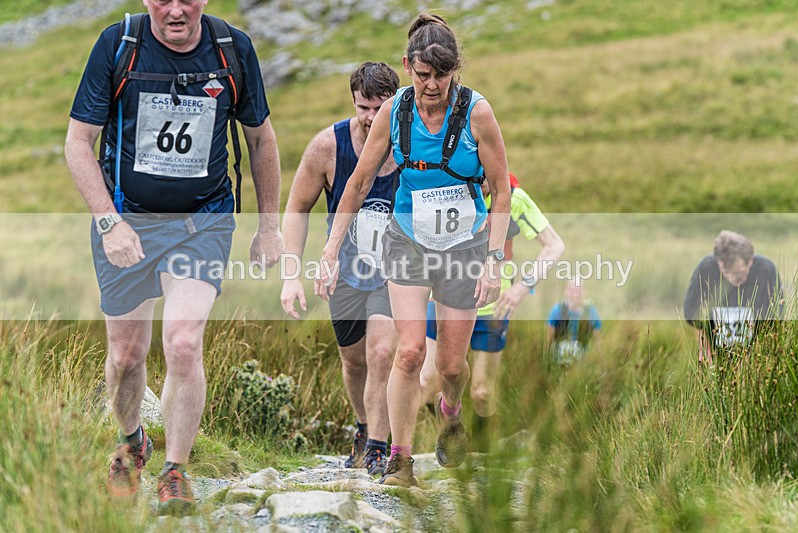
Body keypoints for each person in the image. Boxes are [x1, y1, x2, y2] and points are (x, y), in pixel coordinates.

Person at [64, 0, 282, 515]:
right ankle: (133, 441)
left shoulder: (231, 49)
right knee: (126, 355)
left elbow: (260, 139)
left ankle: (175, 470)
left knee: (183, 343)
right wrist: (109, 222)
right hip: (126, 222)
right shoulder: (119, 45)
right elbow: (78, 142)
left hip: (201, 222)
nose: (176, 10)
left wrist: (269, 226)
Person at [316, 13, 511, 487]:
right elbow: (358, 182)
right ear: (407, 66)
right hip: (408, 240)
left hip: (464, 246)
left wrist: (494, 260)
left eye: (442, 75)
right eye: (423, 75)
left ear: (455, 70)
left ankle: (451, 410)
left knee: (451, 367)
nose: (432, 86)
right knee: (408, 352)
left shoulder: (477, 113)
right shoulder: (394, 112)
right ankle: (400, 462)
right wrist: (330, 249)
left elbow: (502, 190)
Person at [280, 62, 400, 476]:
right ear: (353, 102)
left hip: (395, 271)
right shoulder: (327, 147)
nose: (371, 117)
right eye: (363, 107)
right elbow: (297, 208)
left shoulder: (410, 145)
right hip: (344, 270)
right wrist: (291, 274)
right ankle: (364, 428)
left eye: (379, 109)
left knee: (382, 352)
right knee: (354, 361)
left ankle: (379, 448)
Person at [420, 172, 564, 445]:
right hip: (443, 302)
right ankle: (451, 433)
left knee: (482, 393)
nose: (480, 178)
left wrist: (521, 288)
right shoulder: (449, 191)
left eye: (486, 173)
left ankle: (482, 452)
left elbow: (554, 245)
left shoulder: (514, 198)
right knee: (426, 383)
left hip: (490, 309)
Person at [684, 230, 782, 366]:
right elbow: (693, 316)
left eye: (737, 273)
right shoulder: (705, 269)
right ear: (719, 262)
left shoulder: (767, 271)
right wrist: (706, 356)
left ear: (750, 261)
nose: (731, 278)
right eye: (725, 273)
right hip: (715, 355)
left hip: (757, 356)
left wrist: (757, 359)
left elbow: (776, 319)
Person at [546, 281, 602, 367]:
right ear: (566, 292)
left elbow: (598, 342)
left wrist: (602, 365)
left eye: (579, 290)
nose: (575, 294)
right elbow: (548, 342)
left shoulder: (592, 312)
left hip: (582, 365)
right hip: (559, 363)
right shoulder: (557, 310)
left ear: (584, 292)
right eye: (572, 290)